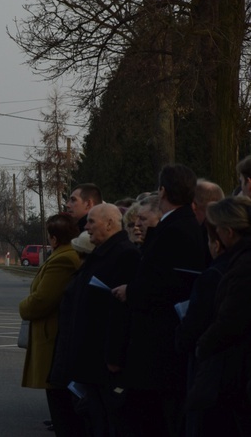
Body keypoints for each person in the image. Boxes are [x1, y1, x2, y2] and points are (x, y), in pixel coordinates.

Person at [112, 164, 205, 437]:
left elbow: (164, 283)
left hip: (159, 343)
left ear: (163, 191)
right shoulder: (183, 224)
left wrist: (132, 291)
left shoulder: (175, 229)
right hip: (160, 342)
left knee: (152, 419)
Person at [51, 204, 139, 436]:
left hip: (103, 360)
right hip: (89, 358)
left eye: (91, 222)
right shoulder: (102, 253)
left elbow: (119, 311)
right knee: (95, 419)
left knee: (108, 423)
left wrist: (113, 356)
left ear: (110, 223)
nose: (86, 227)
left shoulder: (123, 254)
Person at [19, 213, 82, 437]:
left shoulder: (63, 259)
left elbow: (43, 300)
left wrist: (23, 308)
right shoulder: (65, 255)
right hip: (55, 334)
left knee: (59, 397)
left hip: (53, 335)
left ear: (55, 238)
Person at [193, 196, 251, 434]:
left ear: (228, 232)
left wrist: (202, 346)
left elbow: (231, 319)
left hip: (238, 370)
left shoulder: (243, 266)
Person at [175, 219, 235, 436]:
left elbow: (194, 325)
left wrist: (187, 341)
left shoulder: (213, 275)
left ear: (217, 245)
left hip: (211, 370)